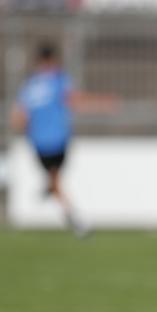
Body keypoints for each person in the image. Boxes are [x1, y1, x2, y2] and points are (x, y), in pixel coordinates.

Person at [10, 42, 115, 238]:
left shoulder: (29, 86)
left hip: (39, 143)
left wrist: (27, 129)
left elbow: (18, 117)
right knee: (56, 180)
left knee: (55, 179)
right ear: (51, 60)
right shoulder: (59, 80)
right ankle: (76, 220)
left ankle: (50, 188)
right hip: (59, 141)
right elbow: (75, 100)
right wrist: (102, 103)